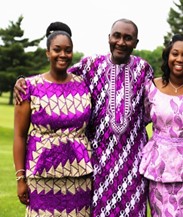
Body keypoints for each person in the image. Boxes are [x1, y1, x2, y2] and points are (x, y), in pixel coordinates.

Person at [14, 18, 153, 216]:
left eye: (128, 38)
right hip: (98, 163)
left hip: (132, 164)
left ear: (136, 43)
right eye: (117, 36)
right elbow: (57, 76)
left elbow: (157, 99)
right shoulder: (91, 65)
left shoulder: (144, 69)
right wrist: (23, 81)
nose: (121, 42)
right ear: (109, 38)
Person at [13, 21, 93, 216]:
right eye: (57, 50)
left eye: (68, 50)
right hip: (41, 174)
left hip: (79, 174)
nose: (63, 55)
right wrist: (20, 179)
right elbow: (19, 136)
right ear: (48, 52)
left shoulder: (83, 83)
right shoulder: (28, 87)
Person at [139, 34, 183, 216]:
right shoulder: (151, 88)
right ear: (168, 56)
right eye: (175, 54)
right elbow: (140, 120)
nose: (179, 59)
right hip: (159, 167)